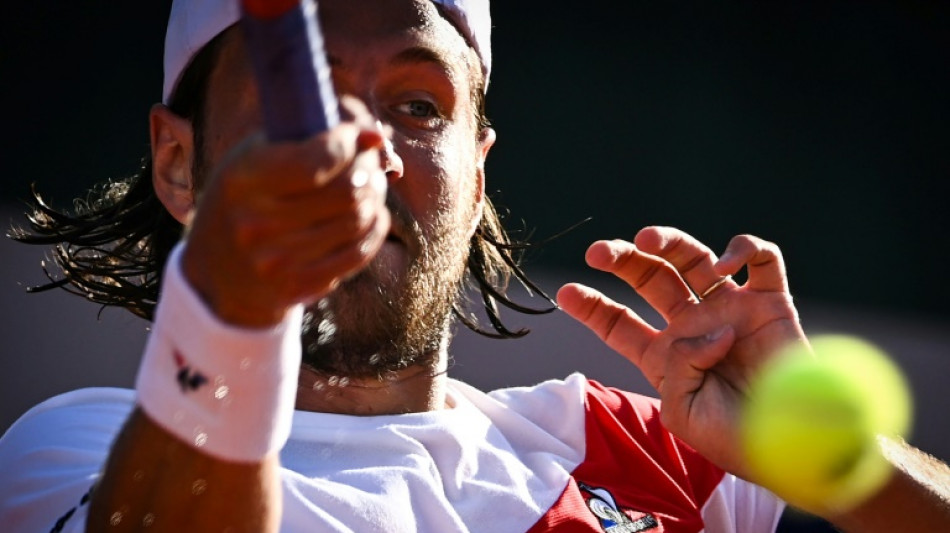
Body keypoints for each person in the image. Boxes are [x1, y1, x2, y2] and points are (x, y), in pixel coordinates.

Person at [1, 0, 948, 531]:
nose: (365, 146)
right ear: (180, 161)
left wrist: (834, 458)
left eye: (417, 106)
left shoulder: (664, 444)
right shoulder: (73, 459)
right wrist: (226, 309)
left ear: (479, 169)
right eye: (305, 97)